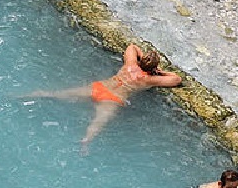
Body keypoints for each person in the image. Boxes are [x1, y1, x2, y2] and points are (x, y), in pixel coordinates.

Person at [26, 44, 182, 150]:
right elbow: (176, 79)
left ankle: (36, 95)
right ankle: (85, 141)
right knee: (98, 122)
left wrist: (141, 57)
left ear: (141, 62)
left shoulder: (130, 65)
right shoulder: (149, 79)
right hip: (112, 98)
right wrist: (160, 72)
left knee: (60, 94)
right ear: (153, 68)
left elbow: (132, 47)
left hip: (101, 87)